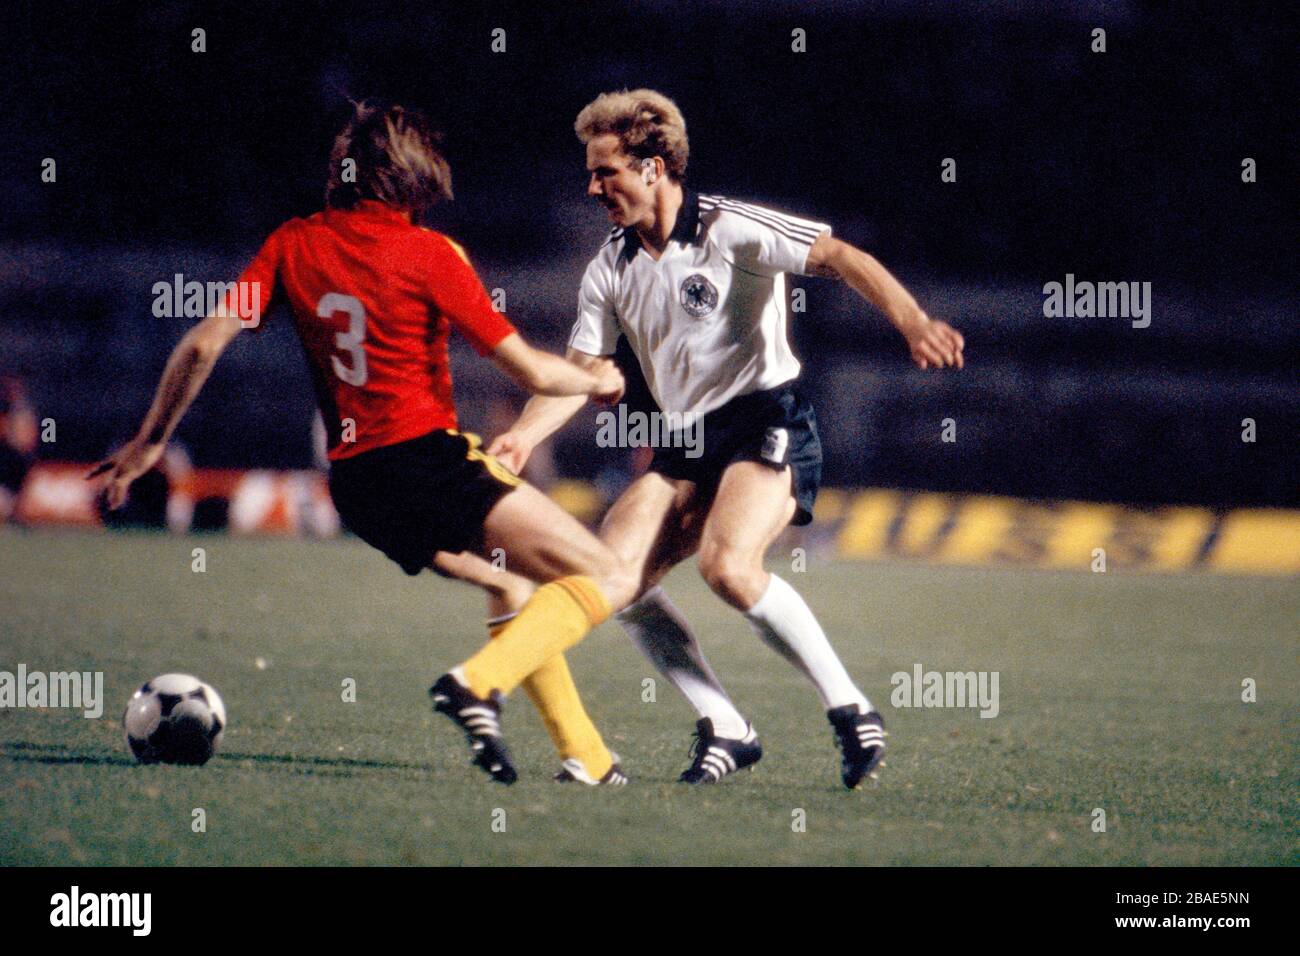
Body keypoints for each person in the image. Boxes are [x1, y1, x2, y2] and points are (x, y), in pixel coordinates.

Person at [90, 101, 641, 786]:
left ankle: (586, 757)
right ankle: (477, 684)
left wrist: (150, 440)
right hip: (426, 461)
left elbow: (203, 343)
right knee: (607, 574)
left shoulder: (293, 242)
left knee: (510, 581)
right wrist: (595, 379)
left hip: (354, 484)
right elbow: (527, 368)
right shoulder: (430, 253)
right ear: (413, 177)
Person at [484, 89, 966, 789]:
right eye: (590, 174)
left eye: (606, 171)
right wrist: (524, 437)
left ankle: (852, 708)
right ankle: (727, 725)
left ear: (654, 167)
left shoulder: (729, 229)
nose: (593, 188)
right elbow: (584, 372)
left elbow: (836, 255)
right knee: (608, 577)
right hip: (684, 442)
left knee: (728, 568)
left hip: (765, 422)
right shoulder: (610, 268)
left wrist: (912, 319)